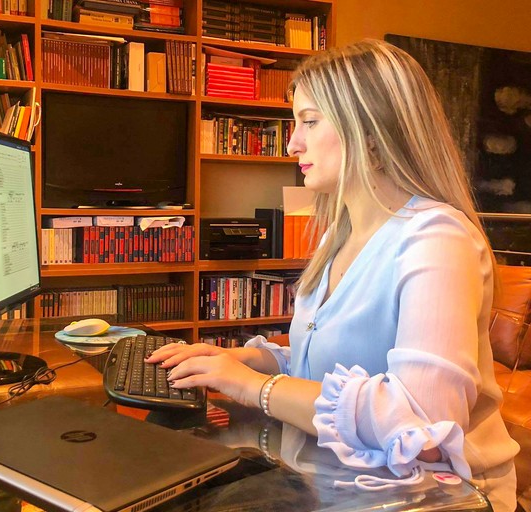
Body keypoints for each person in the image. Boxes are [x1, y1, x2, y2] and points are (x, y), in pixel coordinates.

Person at [146, 39, 520, 510]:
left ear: (369, 130)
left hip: (434, 500)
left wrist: (255, 388)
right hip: (323, 486)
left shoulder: (436, 238)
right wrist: (243, 361)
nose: (291, 143)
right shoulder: (337, 237)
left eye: (309, 121)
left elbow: (421, 425)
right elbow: (329, 372)